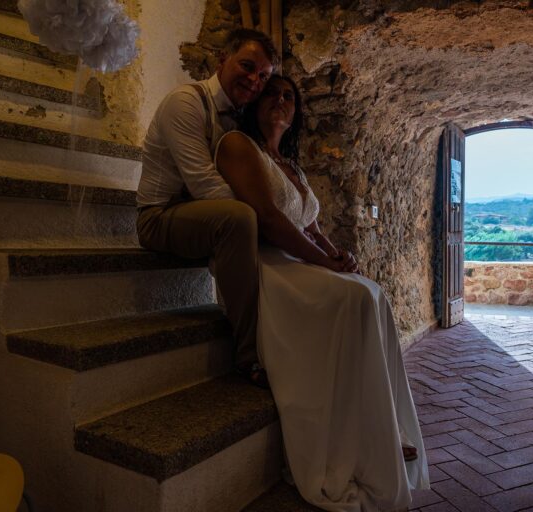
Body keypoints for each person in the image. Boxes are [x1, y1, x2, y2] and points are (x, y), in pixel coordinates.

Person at [215, 75, 429, 511]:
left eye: (289, 97)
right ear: (255, 105)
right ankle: (358, 437)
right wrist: (323, 263)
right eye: (272, 93)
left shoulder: (290, 164)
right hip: (267, 264)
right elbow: (271, 220)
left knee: (371, 291)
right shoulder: (239, 146)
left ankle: (382, 426)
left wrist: (339, 256)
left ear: (295, 114)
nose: (280, 100)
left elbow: (310, 225)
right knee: (351, 299)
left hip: (298, 260)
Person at [135, 29, 279, 387]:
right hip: (160, 216)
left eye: (263, 76)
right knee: (240, 218)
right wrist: (269, 223)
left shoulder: (242, 115)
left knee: (250, 220)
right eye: (247, 66)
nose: (254, 80)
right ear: (221, 60)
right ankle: (247, 353)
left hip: (200, 214)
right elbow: (204, 185)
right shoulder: (185, 102)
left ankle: (280, 332)